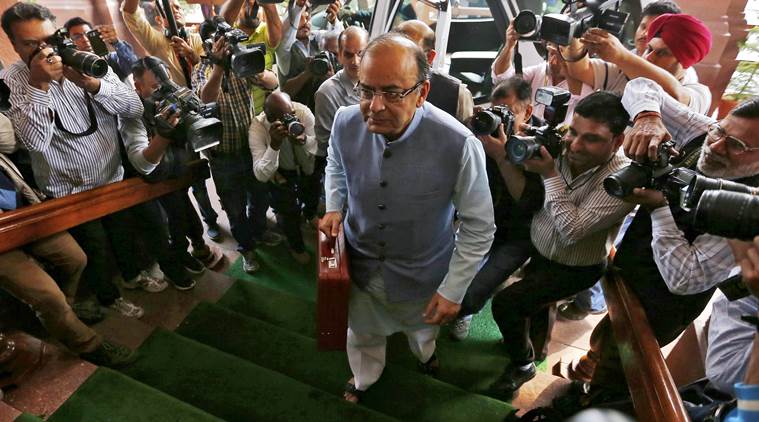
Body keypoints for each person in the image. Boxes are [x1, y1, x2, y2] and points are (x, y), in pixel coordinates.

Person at [319, 33, 495, 403]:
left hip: (424, 272)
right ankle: (364, 377)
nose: (375, 106)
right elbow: (336, 164)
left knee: (422, 331)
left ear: (423, 91)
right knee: (362, 332)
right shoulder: (344, 121)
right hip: (361, 263)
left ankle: (425, 355)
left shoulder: (460, 143)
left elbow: (479, 226)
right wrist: (334, 205)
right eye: (366, 91)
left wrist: (453, 289)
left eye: (393, 92)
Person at [581, 80, 759, 402]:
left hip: (659, 309)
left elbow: (686, 278)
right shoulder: (702, 131)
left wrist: (659, 208)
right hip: (626, 275)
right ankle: (584, 381)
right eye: (721, 131)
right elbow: (640, 86)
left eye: (736, 145)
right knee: (606, 340)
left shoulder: (748, 210)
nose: (716, 146)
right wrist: (648, 117)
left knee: (619, 377)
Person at [0, 1, 159, 317]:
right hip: (68, 190)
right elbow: (35, 141)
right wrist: (39, 84)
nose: (44, 51)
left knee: (122, 234)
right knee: (95, 250)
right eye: (31, 45)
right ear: (14, 45)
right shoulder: (14, 80)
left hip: (111, 177)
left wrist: (94, 85)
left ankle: (132, 276)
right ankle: (109, 297)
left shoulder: (85, 60)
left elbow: (134, 108)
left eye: (48, 40)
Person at [489, 91, 634, 399]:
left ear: (618, 141)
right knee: (536, 305)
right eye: (573, 132)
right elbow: (526, 174)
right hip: (540, 250)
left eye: (591, 139)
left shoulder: (622, 179)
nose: (575, 145)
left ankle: (522, 364)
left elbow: (571, 229)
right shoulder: (561, 144)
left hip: (576, 267)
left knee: (507, 303)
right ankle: (535, 349)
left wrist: (550, 173)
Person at [449, 77, 545, 341]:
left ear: (527, 111)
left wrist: (502, 156)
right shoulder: (482, 131)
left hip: (518, 233)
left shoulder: (538, 143)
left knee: (472, 293)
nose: (499, 121)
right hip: (480, 221)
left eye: (508, 113)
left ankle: (466, 311)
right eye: (496, 111)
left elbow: (528, 201)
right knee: (446, 274)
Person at [121, 0, 222, 241]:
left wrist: (192, 55)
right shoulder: (155, 41)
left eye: (177, 7)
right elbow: (129, 12)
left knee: (204, 171)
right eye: (169, 9)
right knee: (181, 185)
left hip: (195, 113)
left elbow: (209, 67)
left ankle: (215, 217)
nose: (175, 10)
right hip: (168, 124)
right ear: (159, 18)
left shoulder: (196, 39)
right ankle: (204, 227)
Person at [194, 20, 281, 274]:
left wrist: (251, 68)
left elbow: (272, 82)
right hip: (223, 155)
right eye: (216, 41)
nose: (222, 46)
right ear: (207, 45)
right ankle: (247, 249)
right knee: (233, 206)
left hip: (251, 147)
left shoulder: (242, 62)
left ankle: (258, 232)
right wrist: (219, 67)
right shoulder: (202, 68)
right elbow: (204, 98)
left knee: (260, 195)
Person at [563, 12, 712, 114]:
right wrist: (575, 32)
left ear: (685, 62)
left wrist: (621, 55)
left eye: (662, 53)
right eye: (649, 49)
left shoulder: (700, 93)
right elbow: (580, 70)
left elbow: (675, 96)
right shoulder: (625, 73)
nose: (649, 58)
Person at [309, 26, 368, 227]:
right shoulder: (327, 93)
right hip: (347, 174)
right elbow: (327, 145)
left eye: (361, 53)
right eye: (349, 55)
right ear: (339, 55)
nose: (355, 61)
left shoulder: (378, 81)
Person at [249, 91, 316, 264]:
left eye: (290, 115)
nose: (289, 120)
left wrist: (304, 141)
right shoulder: (257, 127)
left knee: (312, 194)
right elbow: (260, 174)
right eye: (282, 118)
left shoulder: (302, 111)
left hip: (308, 167)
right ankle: (297, 247)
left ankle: (310, 214)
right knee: (288, 213)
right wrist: (274, 145)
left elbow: (319, 145)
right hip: (281, 174)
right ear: (270, 117)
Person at [490, 21, 593, 126]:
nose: (553, 61)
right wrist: (509, 45)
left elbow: (583, 106)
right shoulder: (540, 71)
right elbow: (501, 77)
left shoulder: (586, 84)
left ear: (576, 58)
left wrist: (568, 68)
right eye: (551, 53)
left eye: (561, 56)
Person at [395, 19, 473, 122]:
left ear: (430, 57)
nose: (399, 58)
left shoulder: (457, 95)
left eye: (409, 52)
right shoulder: (372, 82)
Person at [219, 0, 282, 115]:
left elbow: (275, 39)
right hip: (235, 112)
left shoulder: (265, 29)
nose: (253, 7)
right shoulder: (228, 31)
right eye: (247, 3)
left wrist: (267, 4)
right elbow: (225, 18)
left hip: (262, 113)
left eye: (257, 6)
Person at [277, 0, 343, 106]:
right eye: (300, 18)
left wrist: (333, 20)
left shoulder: (316, 38)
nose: (306, 21)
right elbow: (287, 32)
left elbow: (338, 38)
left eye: (308, 17)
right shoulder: (284, 50)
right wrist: (307, 73)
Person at [63, 17, 139, 82]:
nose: (85, 39)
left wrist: (116, 42)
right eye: (77, 37)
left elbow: (134, 66)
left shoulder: (111, 59)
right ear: (69, 42)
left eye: (88, 34)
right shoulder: (71, 71)